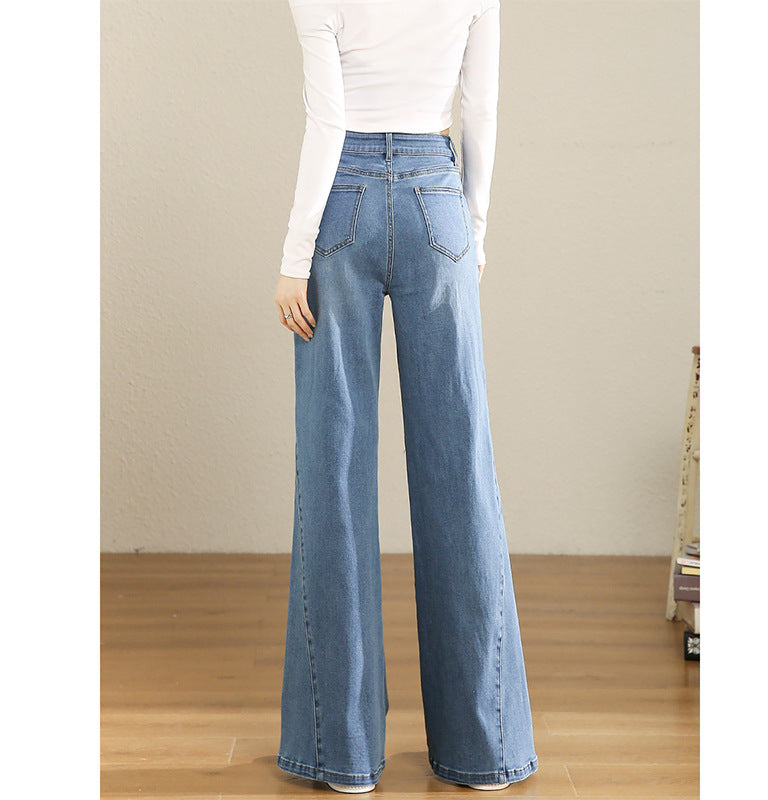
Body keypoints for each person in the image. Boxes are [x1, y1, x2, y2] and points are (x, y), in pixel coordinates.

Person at [273, 0, 538, 793]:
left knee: (335, 472)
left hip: (342, 203)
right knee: (461, 473)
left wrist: (294, 255)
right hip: (437, 196)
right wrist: (474, 229)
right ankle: (484, 751)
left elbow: (327, 121)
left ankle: (343, 755)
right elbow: (480, 107)